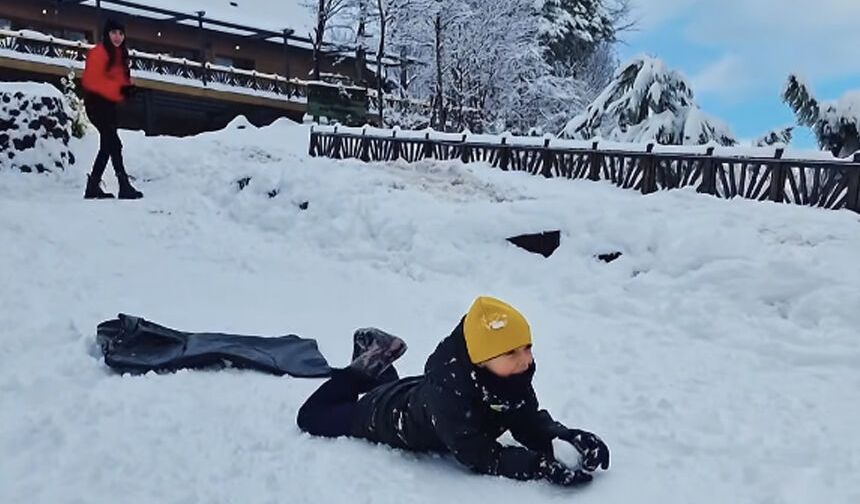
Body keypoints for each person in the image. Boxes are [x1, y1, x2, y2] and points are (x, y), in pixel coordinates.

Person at [297, 296, 610, 487]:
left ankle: (376, 355)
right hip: (383, 417)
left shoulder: (509, 376)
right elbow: (477, 453)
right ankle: (362, 370)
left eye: (527, 347)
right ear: (481, 360)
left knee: (397, 389)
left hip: (417, 396)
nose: (525, 359)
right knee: (311, 417)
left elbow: (525, 419)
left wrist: (564, 436)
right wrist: (536, 466)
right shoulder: (450, 396)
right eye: (512, 352)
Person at [80, 19, 143, 200]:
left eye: (121, 33)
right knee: (114, 144)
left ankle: (93, 186)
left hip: (109, 106)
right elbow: (92, 81)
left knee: (108, 145)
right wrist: (119, 90)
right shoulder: (97, 53)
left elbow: (119, 80)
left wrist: (128, 89)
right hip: (96, 105)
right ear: (107, 34)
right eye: (114, 32)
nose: (118, 37)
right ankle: (123, 185)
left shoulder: (121, 55)